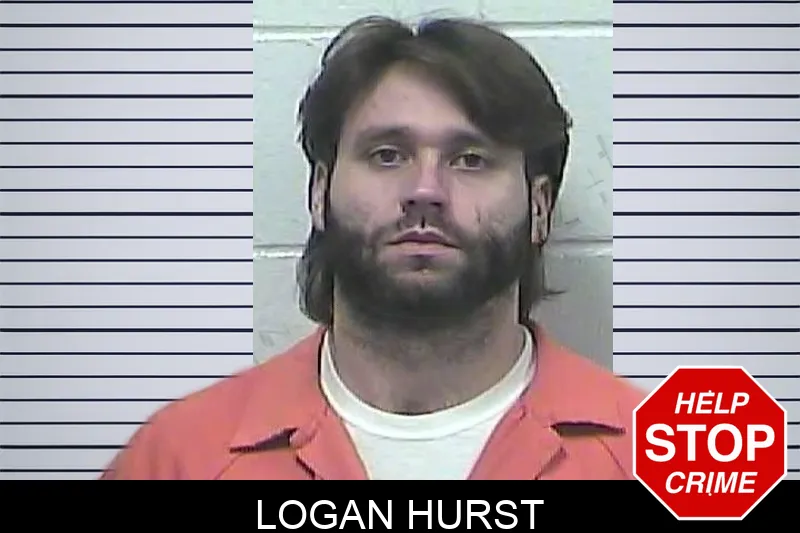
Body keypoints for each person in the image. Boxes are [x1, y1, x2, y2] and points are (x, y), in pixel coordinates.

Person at [101, 15, 645, 480]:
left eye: (471, 159)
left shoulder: (658, 457)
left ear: (540, 207)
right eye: (387, 155)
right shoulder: (178, 458)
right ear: (319, 192)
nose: (425, 191)